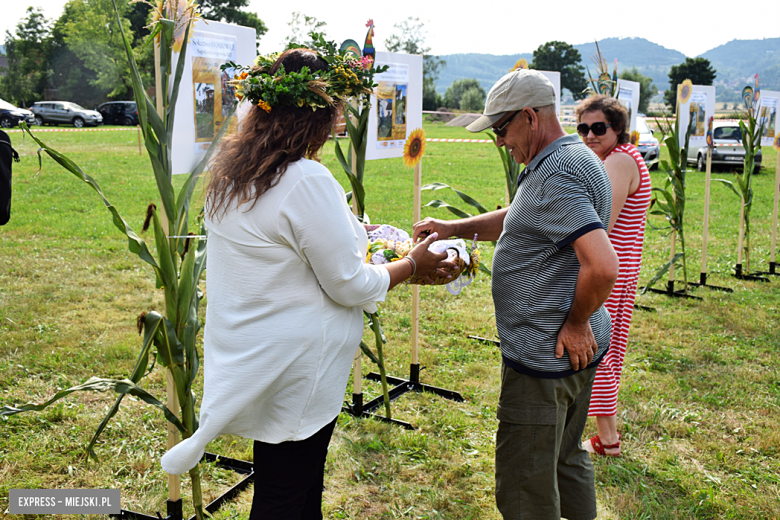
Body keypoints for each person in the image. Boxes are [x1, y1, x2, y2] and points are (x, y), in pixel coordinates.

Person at [160, 48, 453, 519]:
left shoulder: (237, 174)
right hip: (297, 368)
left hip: (257, 358)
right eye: (336, 106)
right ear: (318, 112)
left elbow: (280, 247)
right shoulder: (305, 179)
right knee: (290, 494)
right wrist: (412, 265)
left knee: (281, 483)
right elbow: (349, 284)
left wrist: (357, 231)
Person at [413, 70, 619, 520]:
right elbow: (525, 217)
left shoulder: (557, 175)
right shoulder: (568, 158)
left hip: (547, 356)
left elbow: (603, 266)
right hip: (569, 356)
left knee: (525, 484)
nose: (501, 141)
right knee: (565, 459)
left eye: (502, 129)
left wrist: (577, 321)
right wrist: (457, 228)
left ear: (529, 116)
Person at [575, 96, 652, 457]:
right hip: (619, 266)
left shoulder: (619, 162)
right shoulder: (621, 157)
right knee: (607, 348)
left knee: (599, 348)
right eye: (583, 128)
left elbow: (602, 220)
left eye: (598, 128)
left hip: (608, 269)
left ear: (617, 128)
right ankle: (607, 438)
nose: (590, 135)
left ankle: (608, 441)